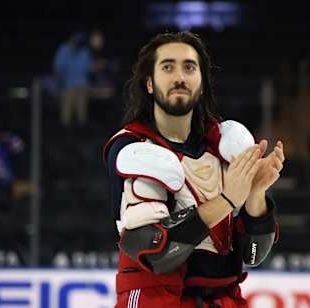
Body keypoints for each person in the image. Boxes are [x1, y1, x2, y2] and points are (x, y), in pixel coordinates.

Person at [103, 31, 285, 308]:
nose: (179, 77)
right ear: (149, 83)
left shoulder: (224, 145)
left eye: (189, 67)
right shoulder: (134, 148)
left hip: (223, 299)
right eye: (168, 67)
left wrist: (255, 193)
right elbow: (155, 254)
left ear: (201, 83)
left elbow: (252, 255)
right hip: (158, 299)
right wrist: (226, 201)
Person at [53, 31, 93, 127]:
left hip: (82, 85)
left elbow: (89, 68)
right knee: (66, 115)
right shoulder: (63, 49)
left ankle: (81, 135)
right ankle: (65, 135)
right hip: (68, 85)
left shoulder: (85, 51)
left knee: (82, 114)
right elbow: (58, 68)